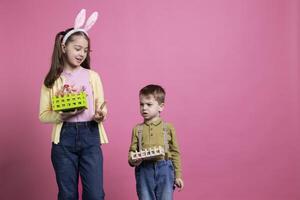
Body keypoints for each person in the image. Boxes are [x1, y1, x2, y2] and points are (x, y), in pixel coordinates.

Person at [39, 9, 107, 200]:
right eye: (77, 48)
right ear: (63, 47)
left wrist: (100, 115)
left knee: (94, 194)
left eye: (86, 50)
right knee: (67, 194)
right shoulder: (52, 80)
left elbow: (101, 106)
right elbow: (43, 115)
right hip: (64, 140)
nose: (82, 54)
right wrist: (61, 115)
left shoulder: (92, 76)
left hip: (90, 135)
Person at [128, 84, 184, 200]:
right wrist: (133, 160)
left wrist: (178, 175)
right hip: (144, 170)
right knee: (145, 197)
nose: (144, 108)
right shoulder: (137, 129)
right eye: (141, 104)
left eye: (149, 104)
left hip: (165, 168)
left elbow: (175, 152)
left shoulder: (168, 127)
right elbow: (132, 152)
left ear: (161, 107)